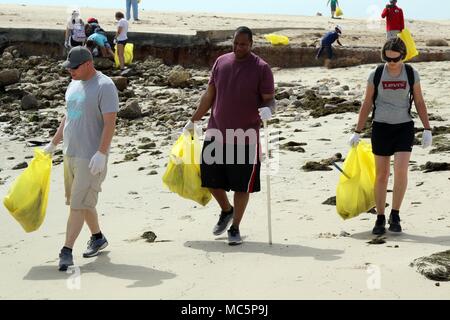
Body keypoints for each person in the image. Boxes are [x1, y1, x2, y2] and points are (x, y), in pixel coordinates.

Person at [184, 26, 275, 246]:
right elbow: (209, 95)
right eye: (235, 43)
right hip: (216, 131)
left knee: (242, 186)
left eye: (243, 44)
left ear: (251, 44)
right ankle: (226, 210)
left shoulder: (261, 68)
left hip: (245, 137)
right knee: (209, 178)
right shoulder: (221, 62)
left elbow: (270, 99)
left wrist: (269, 110)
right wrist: (193, 119)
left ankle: (234, 228)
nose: (238, 47)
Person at [43, 46, 119, 271]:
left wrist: (101, 153)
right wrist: (54, 143)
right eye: (68, 69)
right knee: (82, 203)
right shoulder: (73, 84)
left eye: (74, 68)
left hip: (91, 158)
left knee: (77, 205)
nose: (70, 72)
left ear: (87, 64)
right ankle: (97, 237)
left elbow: (110, 123)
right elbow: (69, 115)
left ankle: (66, 251)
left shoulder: (105, 86)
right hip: (71, 154)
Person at [348, 38, 432, 235]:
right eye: (388, 58)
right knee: (382, 175)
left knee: (401, 171)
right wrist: (357, 131)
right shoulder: (376, 73)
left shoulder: (411, 73)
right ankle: (380, 217)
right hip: (381, 128)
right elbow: (367, 103)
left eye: (395, 59)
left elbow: (419, 101)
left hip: (404, 127)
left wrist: (427, 129)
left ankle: (395, 214)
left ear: (403, 56)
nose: (391, 63)